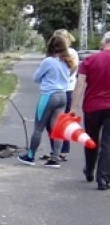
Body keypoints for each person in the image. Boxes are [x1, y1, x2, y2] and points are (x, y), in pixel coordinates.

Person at [18, 33, 72, 167]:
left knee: (39, 127)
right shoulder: (67, 61)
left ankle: (30, 156)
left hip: (49, 95)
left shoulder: (48, 61)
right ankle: (55, 158)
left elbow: (36, 78)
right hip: (62, 96)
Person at [69, 30, 110, 189]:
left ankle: (90, 170)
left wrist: (74, 107)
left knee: (91, 140)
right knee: (108, 143)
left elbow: (80, 84)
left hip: (92, 107)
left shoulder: (89, 60)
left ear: (103, 42)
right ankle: (104, 178)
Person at [45, 29, 79, 161]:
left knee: (60, 121)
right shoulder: (58, 54)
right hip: (60, 90)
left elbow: (74, 68)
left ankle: (62, 151)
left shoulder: (71, 53)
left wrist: (65, 78)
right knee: (52, 122)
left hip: (66, 90)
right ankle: (56, 150)